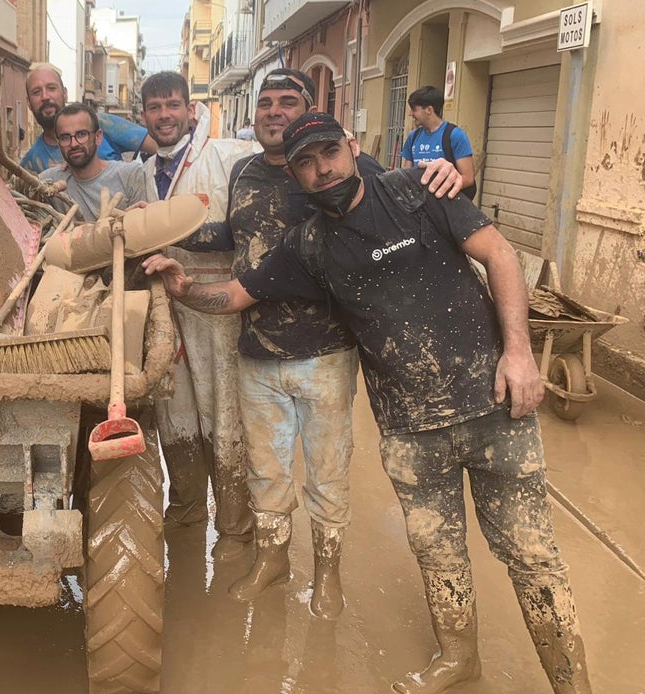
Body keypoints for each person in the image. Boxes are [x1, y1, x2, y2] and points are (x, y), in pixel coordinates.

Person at [145, 112, 592, 694]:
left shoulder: (418, 190)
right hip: (409, 428)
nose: (320, 168)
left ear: (352, 148)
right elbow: (237, 293)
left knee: (531, 553)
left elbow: (501, 256)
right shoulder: (310, 243)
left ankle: (573, 685)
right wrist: (183, 288)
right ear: (297, 173)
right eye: (305, 162)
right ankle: (459, 658)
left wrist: (520, 353)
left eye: (329, 152)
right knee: (437, 551)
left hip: (492, 405)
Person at [183, 68, 460, 617]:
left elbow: (395, 204)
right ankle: (273, 560)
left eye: (288, 101)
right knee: (266, 470)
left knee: (328, 470)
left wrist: (443, 172)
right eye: (265, 102)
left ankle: (328, 575)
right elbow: (233, 237)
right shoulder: (243, 172)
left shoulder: (339, 169)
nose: (273, 110)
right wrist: (169, 230)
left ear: (309, 115)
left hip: (327, 352)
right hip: (256, 350)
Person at [138, 71, 254, 558]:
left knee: (225, 413)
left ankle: (235, 527)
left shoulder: (230, 156)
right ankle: (186, 508)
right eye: (155, 107)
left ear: (190, 109)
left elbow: (253, 221)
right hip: (167, 307)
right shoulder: (145, 170)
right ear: (143, 115)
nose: (164, 115)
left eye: (172, 105)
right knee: (174, 411)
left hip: (217, 307)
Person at [20, 64, 157, 174]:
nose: (45, 96)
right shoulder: (31, 164)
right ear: (28, 103)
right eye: (36, 92)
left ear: (65, 93)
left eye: (51, 88)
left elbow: (161, 147)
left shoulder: (101, 123)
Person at [37, 103, 148, 221]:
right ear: (58, 143)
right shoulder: (47, 182)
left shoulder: (130, 176)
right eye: (65, 137)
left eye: (81, 134)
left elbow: (142, 231)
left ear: (98, 137)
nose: (74, 144)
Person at [401, 85, 476, 199]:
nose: (410, 114)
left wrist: (438, 190)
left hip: (447, 206)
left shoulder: (455, 136)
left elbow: (468, 178)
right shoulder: (413, 137)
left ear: (429, 110)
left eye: (414, 109)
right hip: (420, 207)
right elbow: (407, 172)